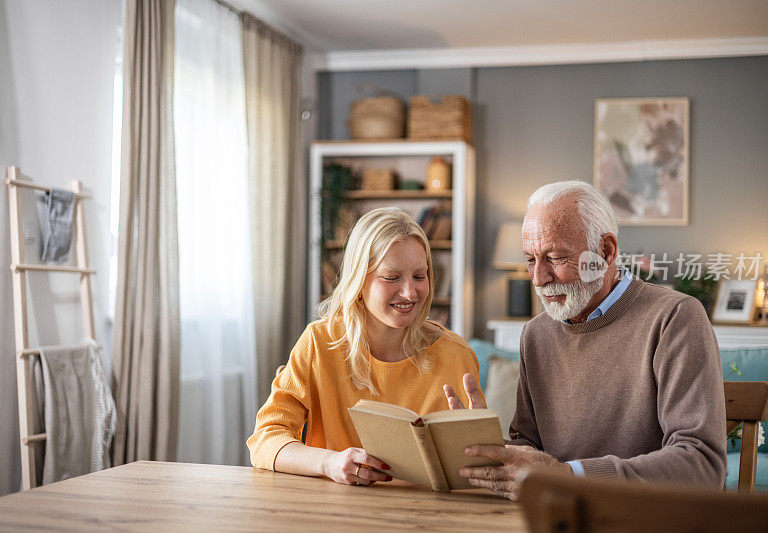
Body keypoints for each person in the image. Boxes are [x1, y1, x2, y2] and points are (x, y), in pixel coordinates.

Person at [445, 180, 726, 500]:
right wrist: (484, 445)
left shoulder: (675, 317)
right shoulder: (536, 334)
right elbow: (531, 450)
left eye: (555, 256)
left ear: (606, 251)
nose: (539, 278)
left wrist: (569, 476)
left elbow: (702, 467)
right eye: (531, 259)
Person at [247, 207, 485, 486]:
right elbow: (265, 439)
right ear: (359, 281)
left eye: (420, 277)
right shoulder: (319, 343)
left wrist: (475, 443)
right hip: (338, 513)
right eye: (392, 277)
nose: (410, 292)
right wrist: (330, 463)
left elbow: (478, 471)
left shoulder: (456, 356)